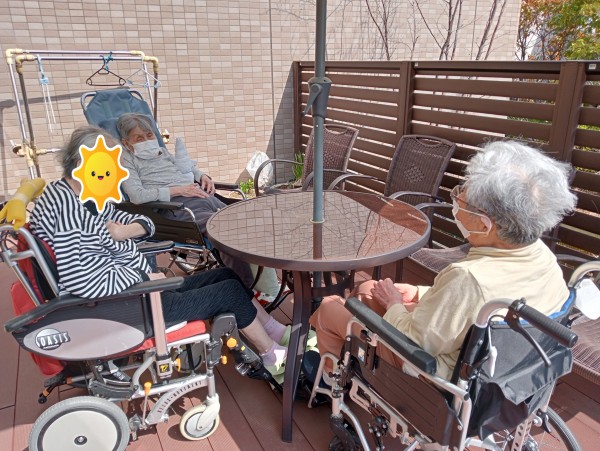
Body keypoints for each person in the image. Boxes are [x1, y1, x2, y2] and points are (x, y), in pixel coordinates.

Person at [29, 126, 291, 377]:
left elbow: (145, 223)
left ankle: (273, 330)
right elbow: (80, 281)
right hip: (131, 307)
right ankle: (272, 356)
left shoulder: (79, 195)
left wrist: (126, 231)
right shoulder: (69, 213)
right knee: (228, 292)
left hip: (138, 293)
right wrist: (142, 278)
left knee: (226, 276)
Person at [310, 140, 577, 381]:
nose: (457, 199)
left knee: (329, 307)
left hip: (436, 373)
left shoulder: (468, 278)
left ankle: (333, 381)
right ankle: (351, 358)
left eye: (463, 195)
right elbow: (470, 304)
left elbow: (417, 341)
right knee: (368, 290)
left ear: (484, 224)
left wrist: (394, 303)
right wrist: (418, 292)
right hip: (498, 366)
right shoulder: (543, 256)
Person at [116, 112, 282, 302]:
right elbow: (137, 196)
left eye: (149, 135)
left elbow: (187, 167)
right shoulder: (126, 161)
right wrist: (179, 190)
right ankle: (247, 289)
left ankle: (266, 286)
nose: (147, 141)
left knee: (249, 221)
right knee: (226, 231)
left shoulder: (162, 152)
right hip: (176, 208)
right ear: (127, 143)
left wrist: (202, 176)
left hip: (201, 196)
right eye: (139, 138)